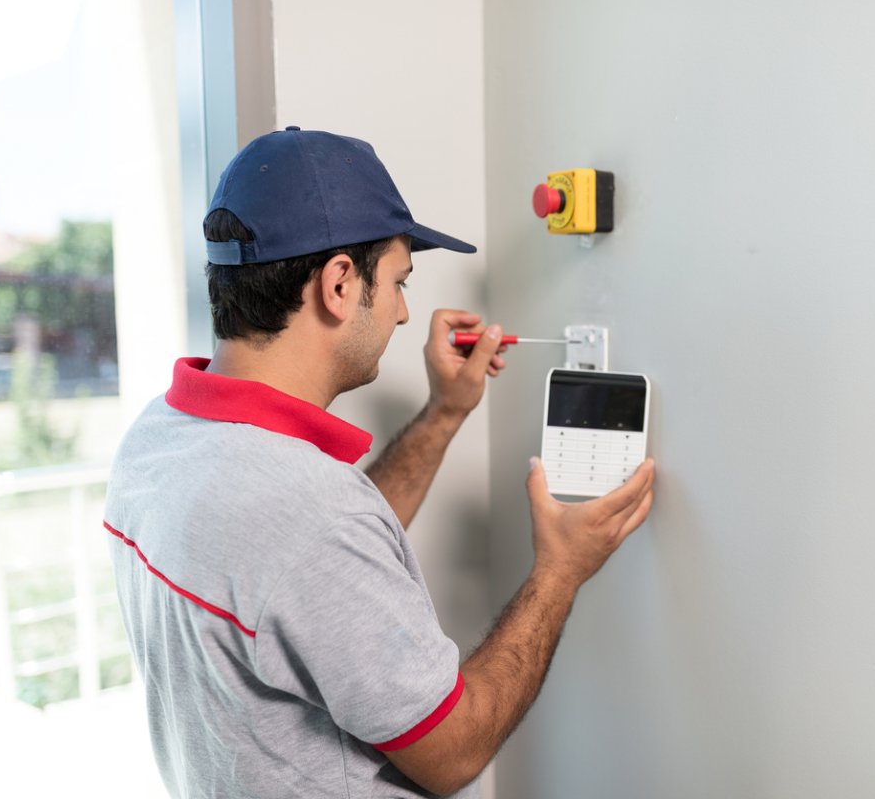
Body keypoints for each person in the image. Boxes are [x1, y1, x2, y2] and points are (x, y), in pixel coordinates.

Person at [103, 126, 655, 798]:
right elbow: (452, 752)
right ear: (339, 283)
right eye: (397, 282)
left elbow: (299, 582)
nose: (401, 313)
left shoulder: (159, 437)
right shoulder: (311, 512)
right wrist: (561, 572)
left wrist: (444, 413)